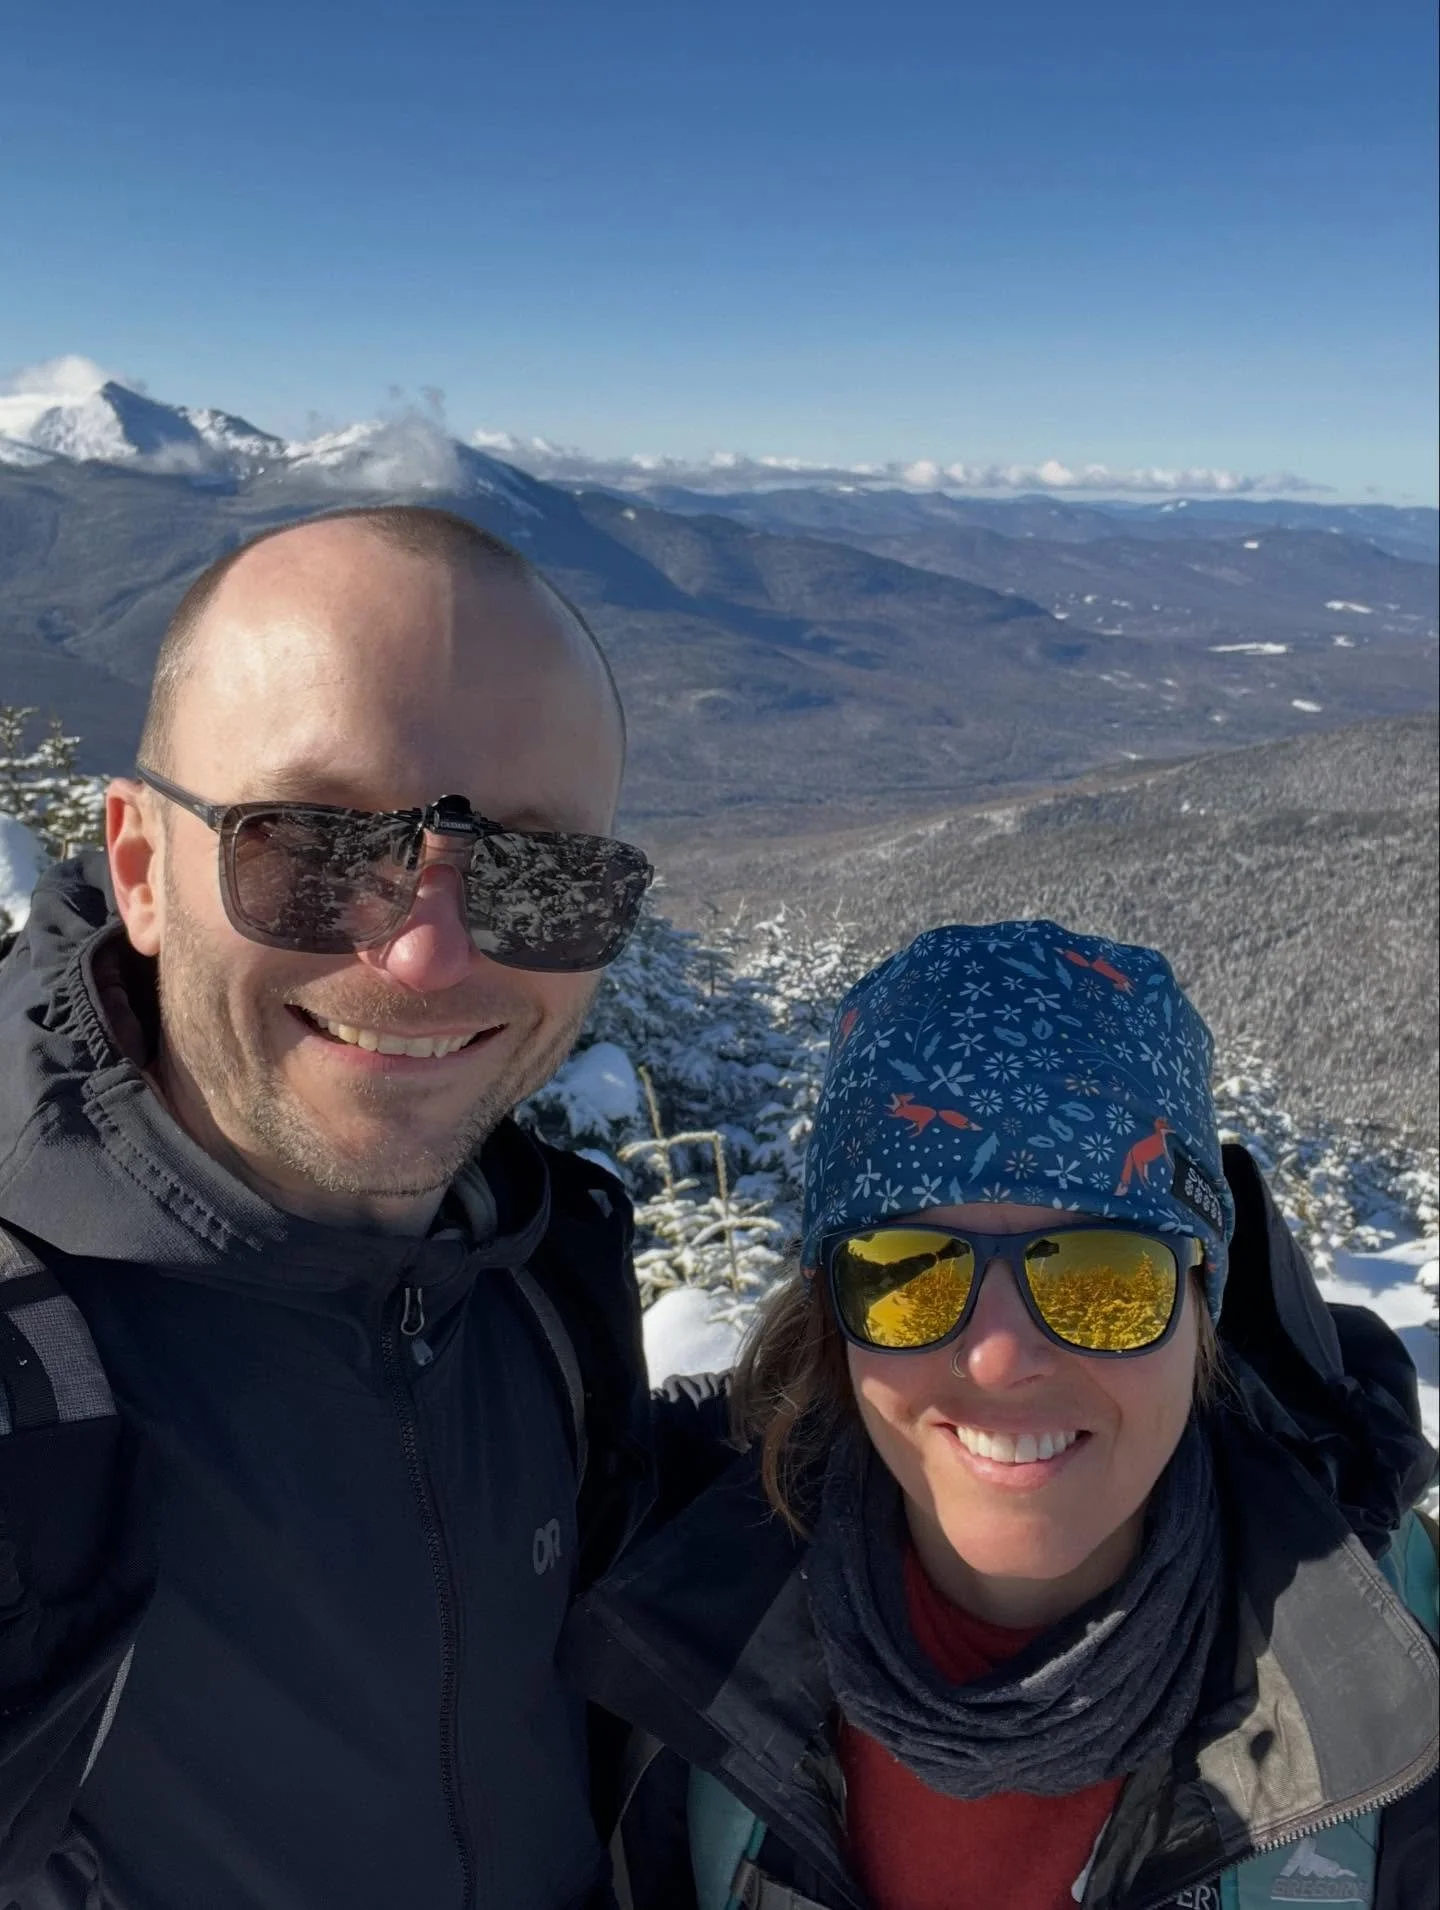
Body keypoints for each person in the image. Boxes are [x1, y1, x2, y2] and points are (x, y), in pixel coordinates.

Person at [0, 506, 658, 1909]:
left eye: (536, 874)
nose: (426, 953)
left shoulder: (540, 1278)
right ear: (139, 869)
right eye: (309, 845)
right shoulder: (23, 1354)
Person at [566, 920, 1439, 1910]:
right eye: (912, 1272)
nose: (998, 1354)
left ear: (1202, 1304)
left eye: (1101, 1276)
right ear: (833, 1316)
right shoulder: (661, 1633)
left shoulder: (1397, 1682)